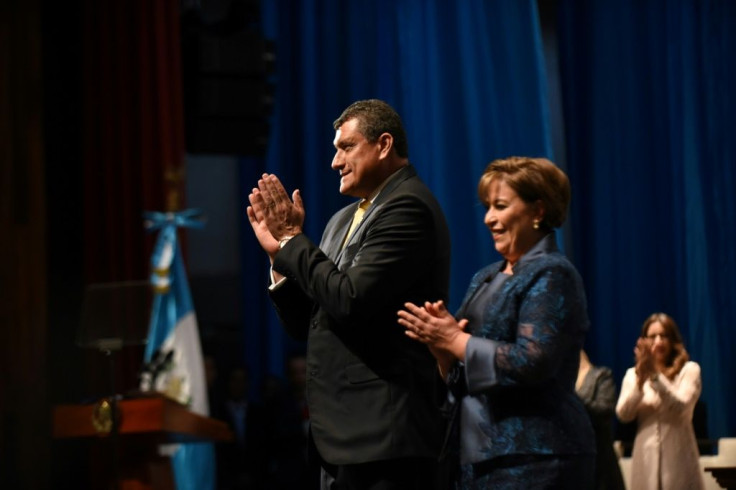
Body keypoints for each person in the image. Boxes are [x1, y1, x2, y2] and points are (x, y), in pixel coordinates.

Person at [246, 99, 451, 490]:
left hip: (385, 437)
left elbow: (350, 300)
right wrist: (280, 257)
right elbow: (311, 321)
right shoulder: (342, 220)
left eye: (346, 147)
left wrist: (292, 239)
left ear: (384, 144)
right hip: (341, 438)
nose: (334, 163)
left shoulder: (408, 207)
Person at [397, 156, 595, 489]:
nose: (489, 218)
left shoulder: (553, 273)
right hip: (476, 459)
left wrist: (455, 341)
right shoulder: (484, 277)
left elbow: (533, 360)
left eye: (500, 206)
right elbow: (465, 374)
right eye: (488, 207)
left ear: (538, 211)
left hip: (538, 458)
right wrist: (442, 351)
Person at [615, 313, 705, 490]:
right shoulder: (632, 374)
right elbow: (623, 414)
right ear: (643, 342)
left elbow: (681, 406)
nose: (658, 341)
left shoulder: (689, 370)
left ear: (672, 340)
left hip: (678, 459)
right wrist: (640, 384)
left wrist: (655, 375)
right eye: (652, 336)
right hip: (645, 459)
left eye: (664, 335)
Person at [576, 350, 626, 490]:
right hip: (575, 465)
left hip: (601, 463)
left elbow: (604, 411)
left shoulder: (601, 375)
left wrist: (572, 398)